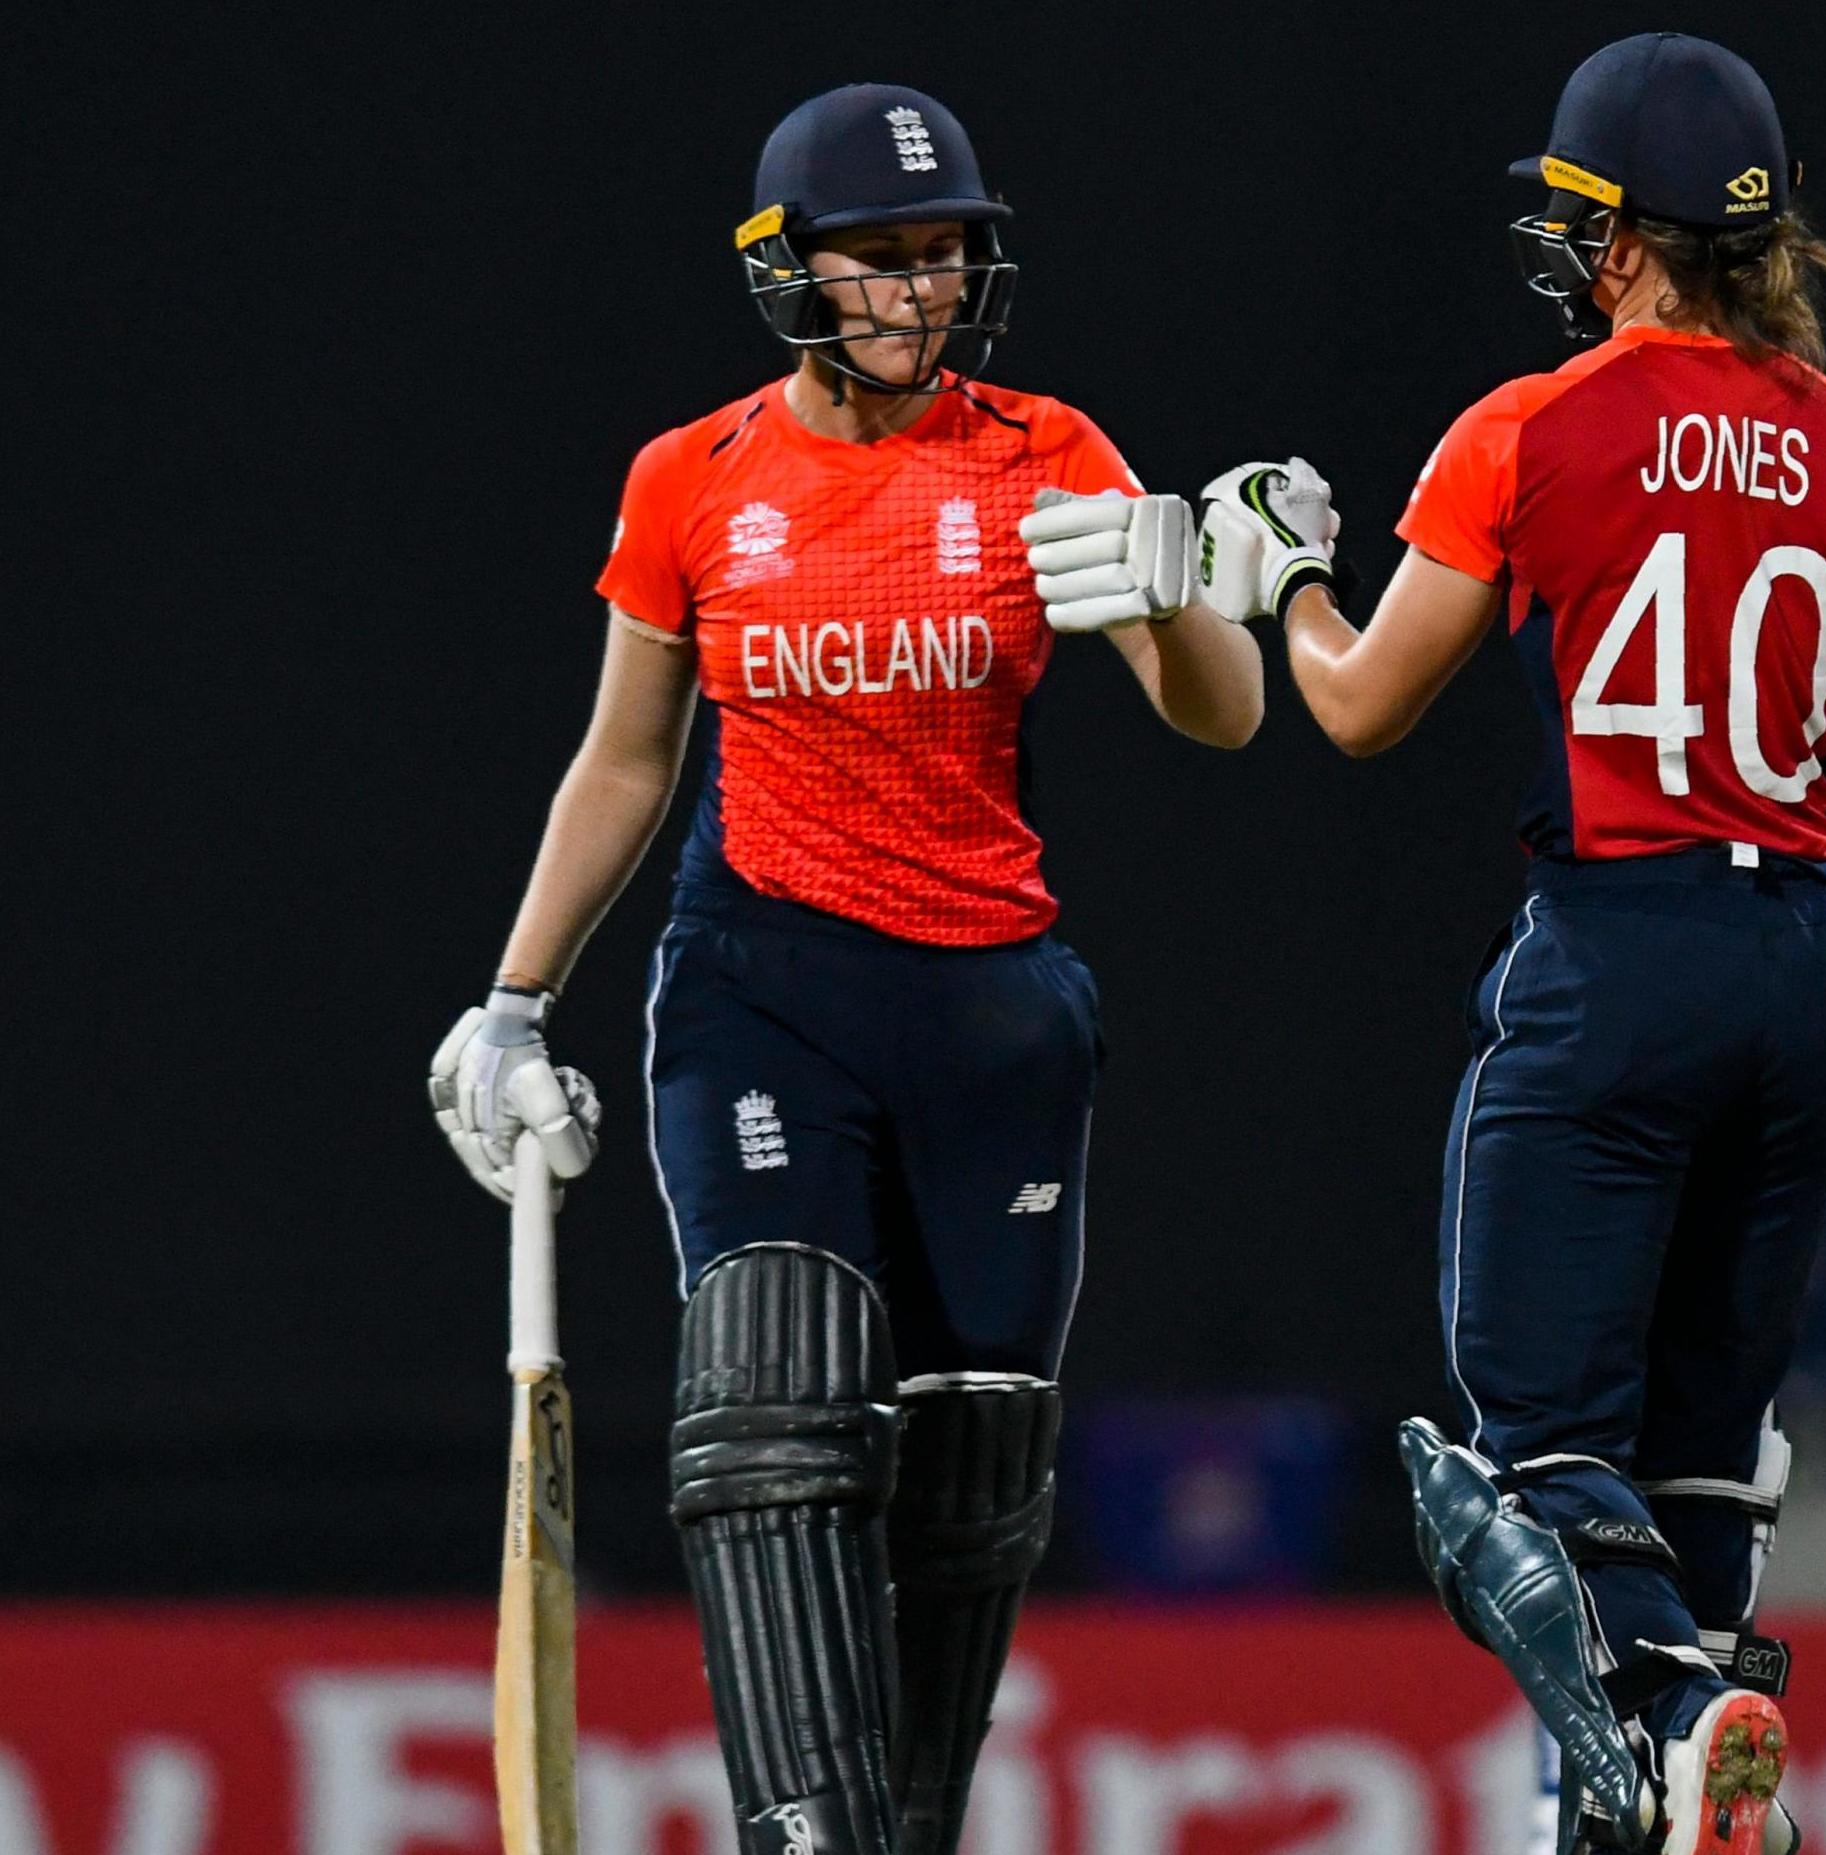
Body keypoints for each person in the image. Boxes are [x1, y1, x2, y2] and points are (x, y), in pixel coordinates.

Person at [1195, 33, 1826, 1855]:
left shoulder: (1524, 429)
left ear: (1611, 238)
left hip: (1616, 945)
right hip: (1807, 972)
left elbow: (1357, 707)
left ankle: (1675, 1722)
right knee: (1695, 1466)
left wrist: (1280, 573)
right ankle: (1680, 1747)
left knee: (1504, 1468)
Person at [426, 83, 1262, 1855]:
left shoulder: (1048, 455)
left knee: (967, 1484)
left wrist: (1177, 598)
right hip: (766, 984)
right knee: (774, 1407)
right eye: (878, 261)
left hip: (994, 1013)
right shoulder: (692, 477)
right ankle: (803, 1830)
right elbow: (629, 761)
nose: (918, 294)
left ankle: (904, 1826)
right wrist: (513, 1001)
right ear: (786, 271)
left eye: (943, 256)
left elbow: (1225, 717)